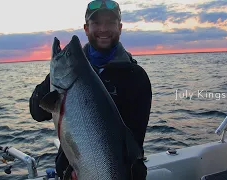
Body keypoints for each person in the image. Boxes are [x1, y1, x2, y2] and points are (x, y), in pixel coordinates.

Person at [29, 0, 152, 179]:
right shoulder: (68, 71)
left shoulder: (136, 77)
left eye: (110, 23)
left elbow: (133, 142)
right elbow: (37, 113)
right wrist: (54, 78)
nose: (103, 29)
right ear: (86, 28)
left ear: (120, 27)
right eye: (96, 23)